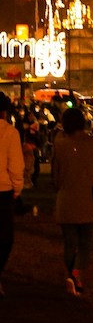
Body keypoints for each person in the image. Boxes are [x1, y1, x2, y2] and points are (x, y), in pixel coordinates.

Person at [52, 106, 93, 296]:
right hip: (88, 200)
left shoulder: (59, 144)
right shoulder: (92, 143)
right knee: (85, 243)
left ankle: (71, 275)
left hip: (66, 199)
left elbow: (56, 176)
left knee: (69, 242)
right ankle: (75, 276)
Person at [0, 94, 24, 297]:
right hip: (3, 191)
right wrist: (17, 188)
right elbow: (16, 166)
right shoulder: (10, 133)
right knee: (5, 238)